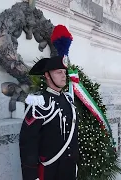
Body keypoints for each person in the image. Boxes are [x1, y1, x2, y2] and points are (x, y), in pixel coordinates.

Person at [19, 25, 78, 180]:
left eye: (64, 72)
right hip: (49, 170)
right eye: (59, 72)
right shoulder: (38, 103)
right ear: (47, 75)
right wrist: (32, 176)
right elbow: (28, 143)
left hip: (68, 169)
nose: (64, 76)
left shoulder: (68, 100)